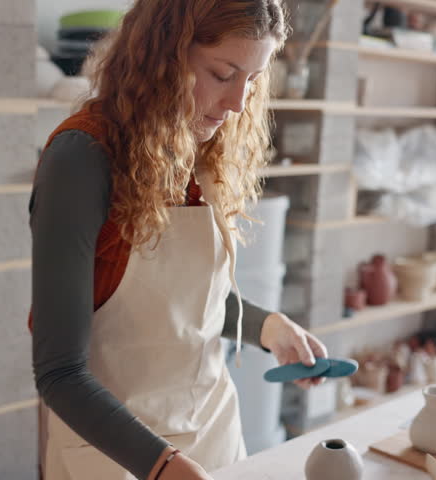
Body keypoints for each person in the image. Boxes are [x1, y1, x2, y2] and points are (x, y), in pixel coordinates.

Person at [30, 1, 329, 479]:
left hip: (210, 430)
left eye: (251, 80)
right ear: (164, 55)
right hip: (113, 452)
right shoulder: (82, 159)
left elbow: (187, 306)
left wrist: (268, 328)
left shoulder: (199, 147)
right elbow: (59, 373)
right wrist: (162, 465)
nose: (237, 104)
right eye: (222, 73)